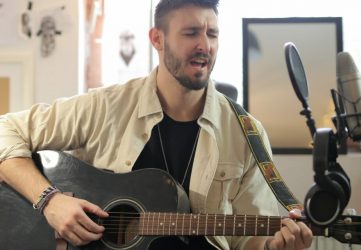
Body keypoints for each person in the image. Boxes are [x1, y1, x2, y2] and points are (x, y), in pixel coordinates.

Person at [0, 0, 313, 249]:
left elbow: (247, 236)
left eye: (212, 34)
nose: (205, 45)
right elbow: (5, 130)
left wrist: (275, 246)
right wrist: (50, 201)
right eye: (191, 33)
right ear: (157, 39)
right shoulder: (105, 106)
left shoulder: (247, 133)